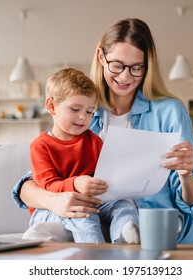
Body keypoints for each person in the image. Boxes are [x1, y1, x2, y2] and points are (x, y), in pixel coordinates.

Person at [12, 18, 193, 244]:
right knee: (53, 231)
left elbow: (191, 202)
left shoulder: (169, 112)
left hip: (148, 222)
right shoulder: (83, 109)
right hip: (93, 218)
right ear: (101, 58)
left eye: (136, 68)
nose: (125, 77)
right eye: (117, 65)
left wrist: (186, 175)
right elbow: (31, 184)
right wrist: (53, 201)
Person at [28, 67, 139, 243]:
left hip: (90, 201)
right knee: (83, 215)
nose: (83, 117)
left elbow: (107, 172)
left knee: (124, 205)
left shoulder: (94, 140)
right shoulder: (41, 146)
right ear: (51, 106)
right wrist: (76, 183)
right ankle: (96, 258)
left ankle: (123, 239)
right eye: (75, 109)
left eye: (89, 112)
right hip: (51, 209)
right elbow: (48, 186)